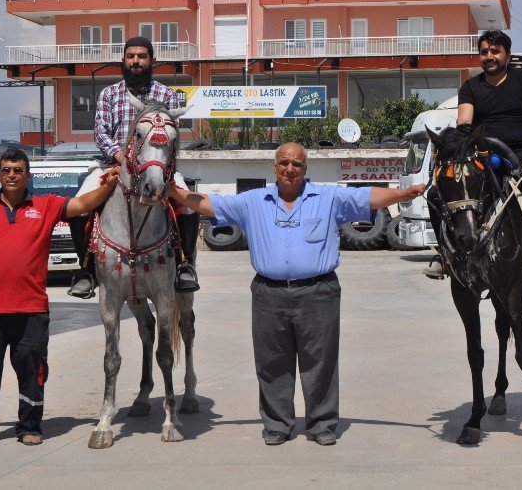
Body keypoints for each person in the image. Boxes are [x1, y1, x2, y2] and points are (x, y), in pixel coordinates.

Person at [165, 142, 425, 446]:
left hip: (319, 292)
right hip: (268, 293)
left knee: (321, 360)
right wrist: (175, 193)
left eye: (298, 164)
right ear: (274, 167)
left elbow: (368, 196)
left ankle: (321, 424)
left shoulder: (328, 198)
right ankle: (277, 424)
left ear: (305, 168)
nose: (291, 169)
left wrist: (404, 193)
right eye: (285, 163)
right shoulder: (253, 201)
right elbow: (210, 204)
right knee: (272, 361)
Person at [0, 148, 119, 449]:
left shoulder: (46, 205)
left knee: (32, 370)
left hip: (31, 310)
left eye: (18, 170)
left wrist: (110, 184)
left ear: (27, 175)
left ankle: (29, 425)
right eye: (6, 170)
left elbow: (82, 203)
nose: (12, 175)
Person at [423, 29, 522, 282]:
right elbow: (465, 122)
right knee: (434, 193)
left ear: (507, 55)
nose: (489, 56)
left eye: (495, 51)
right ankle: (445, 256)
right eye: (484, 51)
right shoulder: (470, 87)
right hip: (483, 155)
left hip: (519, 153)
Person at [68, 36, 199, 298]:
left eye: (141, 56)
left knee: (187, 203)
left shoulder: (166, 95)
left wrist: (163, 166)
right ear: (123, 60)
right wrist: (119, 157)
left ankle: (185, 265)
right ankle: (86, 270)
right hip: (114, 168)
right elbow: (101, 133)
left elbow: (173, 138)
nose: (136, 61)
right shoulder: (109, 94)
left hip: (157, 167)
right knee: (79, 204)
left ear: (152, 61)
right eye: (131, 56)